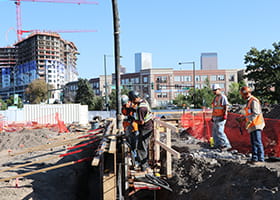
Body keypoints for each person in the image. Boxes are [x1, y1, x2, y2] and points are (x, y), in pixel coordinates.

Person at [238, 86, 265, 165]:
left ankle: (260, 159)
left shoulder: (254, 101)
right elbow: (250, 113)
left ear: (246, 94)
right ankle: (255, 158)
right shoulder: (249, 101)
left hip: (256, 124)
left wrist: (246, 119)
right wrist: (244, 118)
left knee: (257, 141)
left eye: (243, 95)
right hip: (252, 124)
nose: (242, 96)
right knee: (253, 142)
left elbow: (256, 113)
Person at [128, 91, 153, 172]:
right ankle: (143, 163)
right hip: (148, 126)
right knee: (143, 145)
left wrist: (134, 121)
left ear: (134, 99)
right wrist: (133, 109)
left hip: (145, 128)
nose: (132, 102)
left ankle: (144, 166)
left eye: (132, 100)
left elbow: (141, 122)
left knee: (141, 147)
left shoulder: (141, 109)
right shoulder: (144, 102)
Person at [211, 84, 232, 150]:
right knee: (215, 132)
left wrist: (225, 114)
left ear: (219, 89)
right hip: (215, 117)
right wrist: (212, 116)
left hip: (221, 117)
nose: (214, 92)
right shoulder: (215, 98)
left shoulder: (223, 97)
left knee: (220, 131)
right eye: (213, 90)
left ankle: (226, 144)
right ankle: (217, 144)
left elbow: (226, 106)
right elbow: (214, 108)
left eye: (215, 90)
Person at [121, 94, 139, 166]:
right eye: (124, 105)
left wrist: (132, 110)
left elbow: (138, 113)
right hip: (128, 129)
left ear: (129, 102)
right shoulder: (124, 108)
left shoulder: (134, 106)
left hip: (135, 129)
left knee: (136, 145)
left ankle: (137, 160)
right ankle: (133, 160)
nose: (125, 106)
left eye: (126, 104)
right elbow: (124, 113)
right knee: (130, 146)